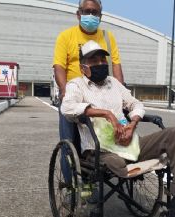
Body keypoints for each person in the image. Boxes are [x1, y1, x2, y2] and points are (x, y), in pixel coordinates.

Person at [61, 40, 175, 217]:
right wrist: (107, 113)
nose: (101, 64)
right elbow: (67, 108)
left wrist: (132, 124)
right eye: (94, 60)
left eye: (103, 59)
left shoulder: (114, 84)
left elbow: (136, 104)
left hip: (129, 144)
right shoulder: (76, 85)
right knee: (117, 163)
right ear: (83, 66)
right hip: (100, 149)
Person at [53, 0, 125, 180]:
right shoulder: (66, 36)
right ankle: (70, 185)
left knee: (104, 139)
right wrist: (64, 91)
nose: (91, 16)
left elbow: (116, 66)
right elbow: (59, 66)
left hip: (102, 93)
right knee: (70, 142)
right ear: (79, 14)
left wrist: (121, 93)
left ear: (100, 16)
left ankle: (95, 177)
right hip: (76, 94)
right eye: (87, 11)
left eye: (95, 12)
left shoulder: (108, 37)